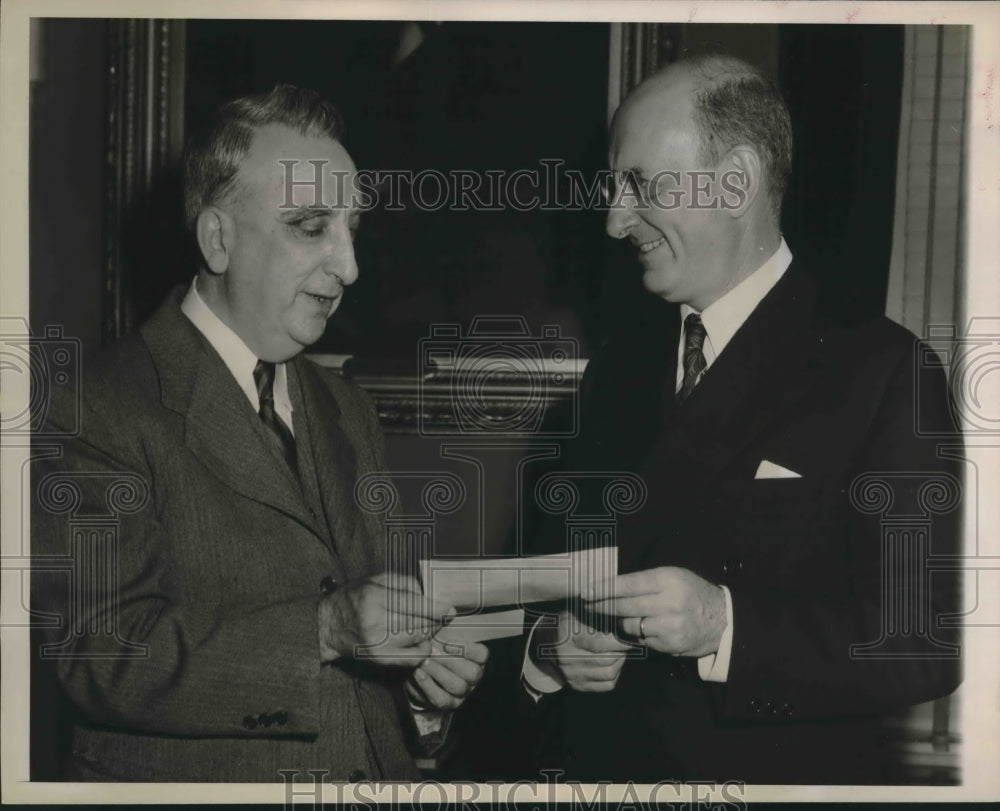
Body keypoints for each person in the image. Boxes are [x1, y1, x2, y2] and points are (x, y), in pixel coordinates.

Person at [520, 54, 962, 784]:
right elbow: (547, 584)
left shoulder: (885, 371)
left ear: (736, 183)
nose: (615, 220)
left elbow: (923, 644)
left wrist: (724, 626)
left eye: (640, 185)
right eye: (613, 188)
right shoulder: (617, 371)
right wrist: (550, 648)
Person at [31, 85, 487, 782]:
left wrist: (420, 699)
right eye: (311, 227)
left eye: (352, 230)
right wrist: (325, 628)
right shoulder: (90, 404)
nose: (350, 267)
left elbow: (370, 670)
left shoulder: (346, 408)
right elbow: (101, 655)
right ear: (218, 238)